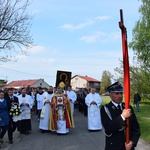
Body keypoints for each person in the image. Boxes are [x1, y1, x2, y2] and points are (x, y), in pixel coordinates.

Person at [101, 82, 140, 150]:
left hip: (128, 147)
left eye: (121, 93)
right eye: (117, 93)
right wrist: (122, 117)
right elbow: (108, 129)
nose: (120, 96)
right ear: (110, 95)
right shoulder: (105, 109)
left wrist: (132, 142)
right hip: (114, 146)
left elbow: (136, 128)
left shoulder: (128, 107)